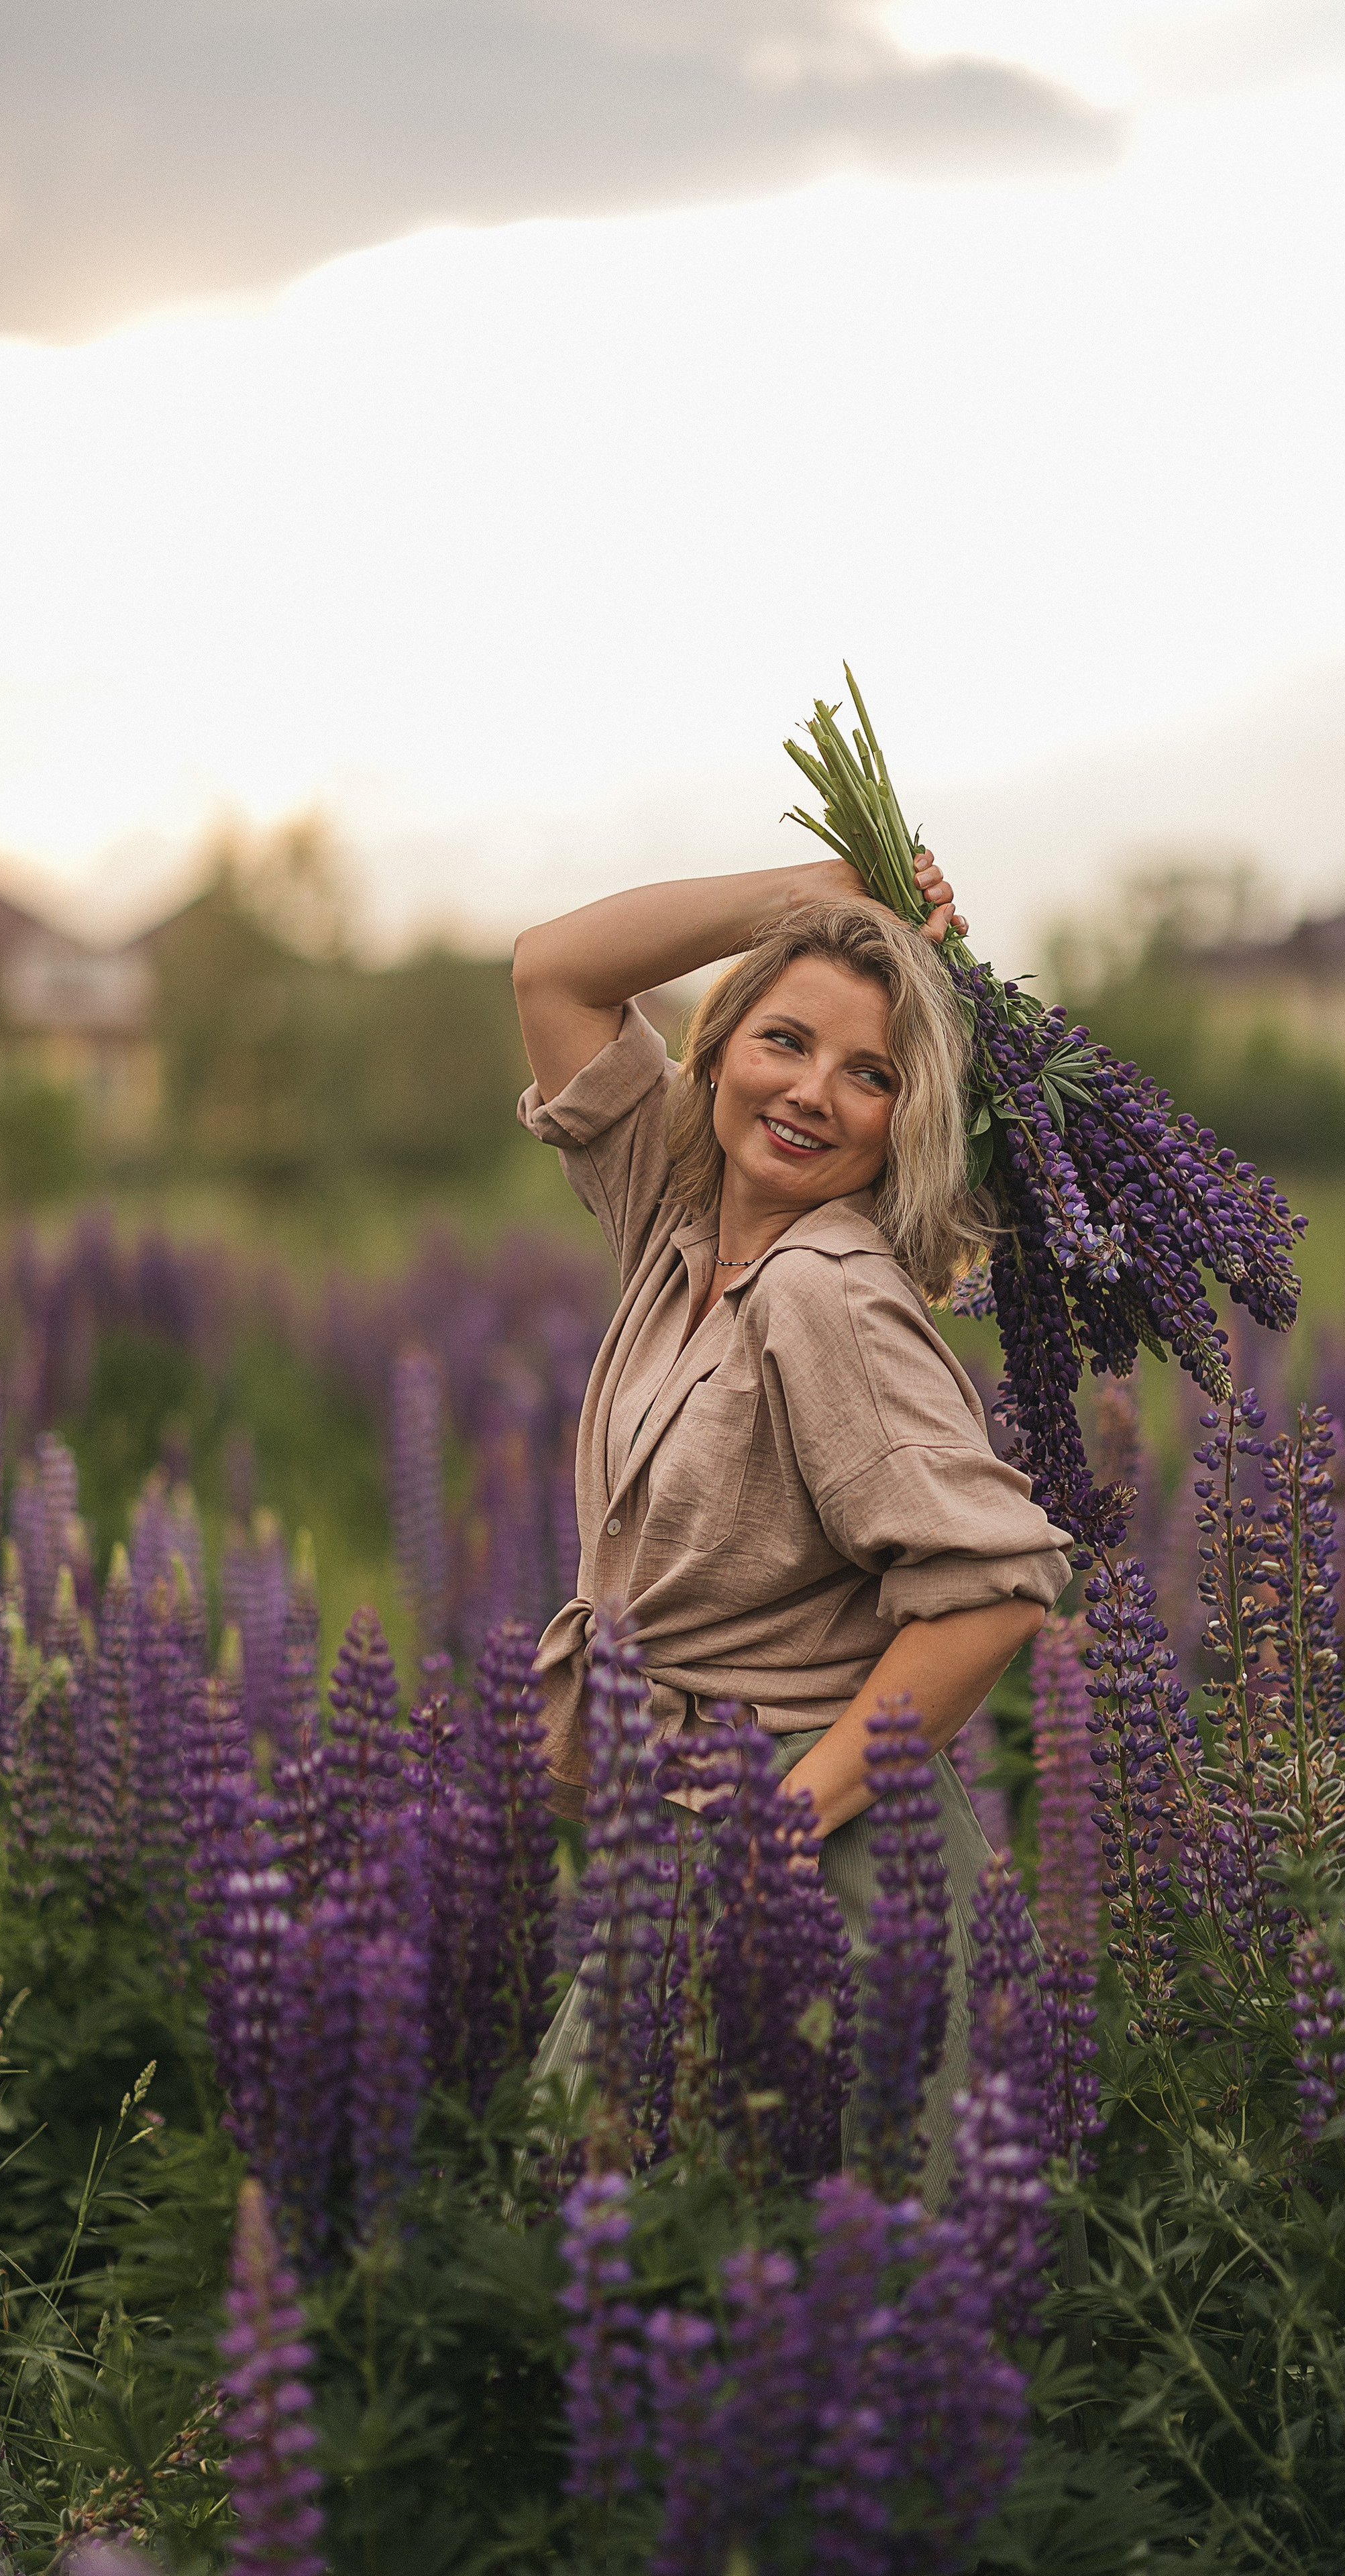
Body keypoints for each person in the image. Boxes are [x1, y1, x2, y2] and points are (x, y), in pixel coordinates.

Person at [511, 851, 1072, 2194]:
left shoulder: (824, 1288)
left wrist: (772, 1832)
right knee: (607, 2251)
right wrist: (826, 889)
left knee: (752, 2307)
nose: (813, 1091)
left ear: (902, 1120)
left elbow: (995, 1589)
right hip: (693, 1837)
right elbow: (553, 969)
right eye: (783, 1040)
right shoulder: (682, 1216)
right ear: (713, 1059)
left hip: (819, 1874)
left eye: (869, 1072)